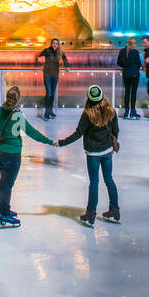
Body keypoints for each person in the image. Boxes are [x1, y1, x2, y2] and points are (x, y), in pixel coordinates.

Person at [55, 85, 121, 226]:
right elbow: (116, 130)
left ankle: (90, 214)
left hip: (93, 154)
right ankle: (115, 210)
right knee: (109, 179)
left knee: (94, 182)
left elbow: (78, 133)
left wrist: (61, 143)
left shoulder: (87, 114)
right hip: (107, 151)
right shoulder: (110, 111)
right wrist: (110, 144)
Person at [0, 85, 56, 228]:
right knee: (7, 184)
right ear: (18, 99)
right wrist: (49, 141)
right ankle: (4, 215)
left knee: (4, 182)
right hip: (13, 154)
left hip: (1, 152)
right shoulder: (17, 115)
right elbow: (32, 132)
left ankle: (3, 209)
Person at [35, 38, 70, 120]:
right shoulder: (47, 50)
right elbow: (38, 55)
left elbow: (65, 58)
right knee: (49, 93)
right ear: (51, 44)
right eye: (53, 43)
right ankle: (47, 112)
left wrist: (67, 66)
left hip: (55, 75)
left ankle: (50, 111)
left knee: (53, 93)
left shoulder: (60, 52)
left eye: (56, 43)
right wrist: (37, 60)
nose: (55, 45)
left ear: (58, 45)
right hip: (47, 74)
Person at [116, 36, 142, 118]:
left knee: (127, 92)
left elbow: (118, 63)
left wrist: (125, 66)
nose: (136, 45)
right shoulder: (135, 52)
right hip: (135, 74)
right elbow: (139, 63)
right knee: (133, 93)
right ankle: (133, 112)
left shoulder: (122, 51)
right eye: (135, 43)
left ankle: (126, 112)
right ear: (133, 44)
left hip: (126, 74)